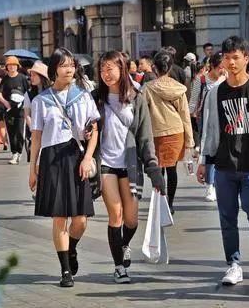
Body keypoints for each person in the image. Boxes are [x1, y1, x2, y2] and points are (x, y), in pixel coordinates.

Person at [197, 36, 249, 285]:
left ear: (246, 58)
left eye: (236, 57)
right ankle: (233, 263)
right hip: (224, 164)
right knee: (227, 217)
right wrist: (203, 161)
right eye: (227, 57)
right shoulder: (215, 93)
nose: (231, 62)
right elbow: (209, 129)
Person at [92, 51, 165, 283]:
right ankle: (118, 267)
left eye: (111, 68)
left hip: (131, 165)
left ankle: (123, 244)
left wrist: (154, 172)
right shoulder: (95, 98)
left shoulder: (137, 97)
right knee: (116, 214)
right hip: (105, 164)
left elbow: (145, 137)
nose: (106, 73)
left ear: (123, 69)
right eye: (103, 69)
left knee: (131, 220)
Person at [29, 47, 100, 288]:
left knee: (80, 219)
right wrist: (33, 168)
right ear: (53, 70)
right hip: (52, 160)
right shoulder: (41, 101)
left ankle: (71, 249)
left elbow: (94, 131)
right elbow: (36, 137)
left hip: (77, 157)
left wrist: (88, 157)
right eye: (63, 65)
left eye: (72, 64)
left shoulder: (83, 96)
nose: (69, 69)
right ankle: (65, 270)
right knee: (59, 218)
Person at [144, 50, 194, 214]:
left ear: (155, 68)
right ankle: (169, 204)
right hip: (176, 132)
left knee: (158, 170)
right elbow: (185, 115)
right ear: (170, 67)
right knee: (172, 170)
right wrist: (189, 141)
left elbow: (143, 113)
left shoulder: (148, 89)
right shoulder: (179, 88)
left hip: (156, 133)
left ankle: (160, 201)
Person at [188, 53, 226, 201]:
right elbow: (193, 101)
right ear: (212, 67)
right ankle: (210, 186)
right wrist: (189, 120)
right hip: (206, 118)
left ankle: (219, 184)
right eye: (220, 68)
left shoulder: (226, 78)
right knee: (209, 151)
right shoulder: (201, 80)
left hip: (223, 119)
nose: (222, 71)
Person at [0, 56, 29, 165]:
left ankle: (19, 152)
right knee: (11, 133)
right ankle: (14, 152)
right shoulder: (5, 79)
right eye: (9, 65)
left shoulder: (22, 78)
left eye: (14, 65)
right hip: (9, 111)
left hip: (21, 111)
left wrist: (28, 107)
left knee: (20, 132)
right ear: (7, 67)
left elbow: (28, 92)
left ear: (17, 66)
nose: (12, 67)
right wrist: (5, 102)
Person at [23, 61, 51, 163]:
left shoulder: (52, 92)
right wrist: (34, 130)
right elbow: (27, 115)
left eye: (34, 75)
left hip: (51, 133)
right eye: (31, 75)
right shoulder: (29, 94)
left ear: (42, 76)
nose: (32, 77)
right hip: (35, 133)